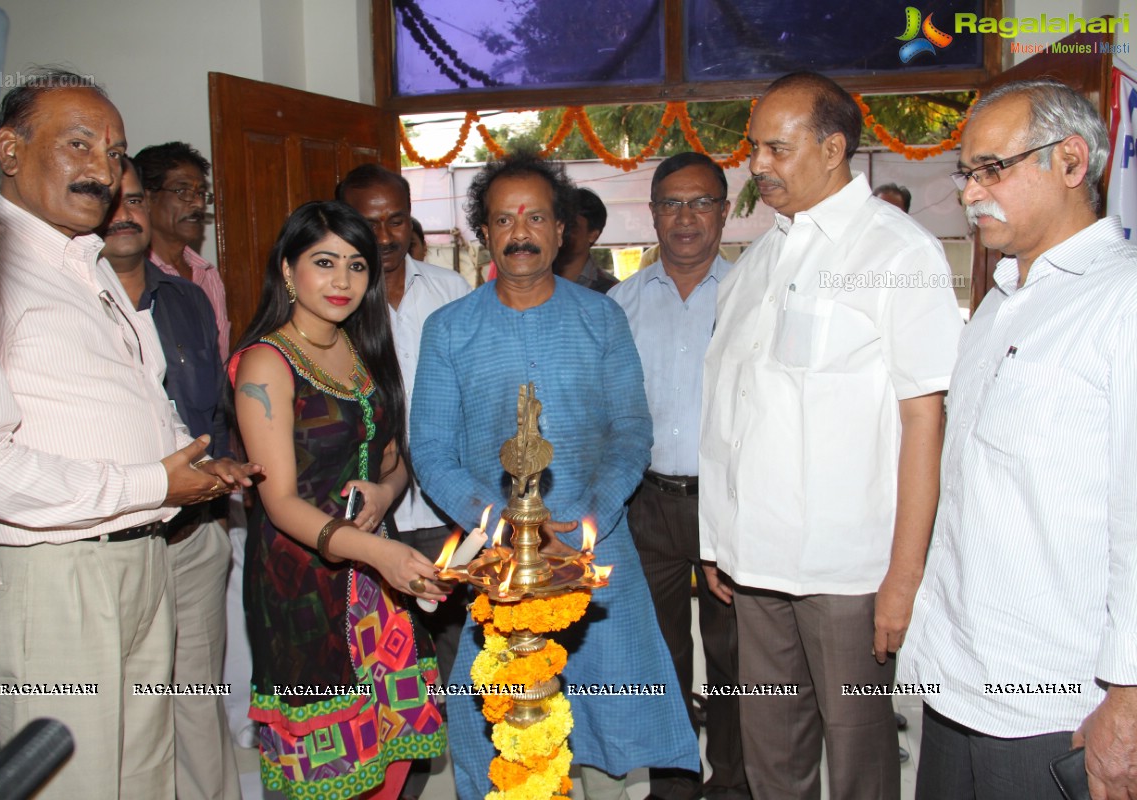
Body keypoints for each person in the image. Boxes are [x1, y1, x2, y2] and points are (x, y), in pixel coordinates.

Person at [0, 69, 259, 799]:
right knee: (72, 784)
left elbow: (143, 405)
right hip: (59, 579)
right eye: (77, 144)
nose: (101, 169)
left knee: (145, 779)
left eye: (114, 153)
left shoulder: (89, 268)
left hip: (143, 560)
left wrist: (195, 468)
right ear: (10, 151)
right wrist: (152, 483)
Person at [698, 71, 963, 800]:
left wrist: (904, 577)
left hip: (850, 575)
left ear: (833, 147)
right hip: (755, 565)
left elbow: (924, 418)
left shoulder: (897, 255)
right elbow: (732, 413)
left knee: (859, 765)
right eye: (755, 149)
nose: (757, 167)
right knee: (771, 758)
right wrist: (717, 541)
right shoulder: (757, 261)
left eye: (776, 150)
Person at [410, 147, 697, 800]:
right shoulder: (449, 329)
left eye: (536, 218)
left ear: (561, 230)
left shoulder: (601, 318)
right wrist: (499, 522)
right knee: (504, 725)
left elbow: (632, 432)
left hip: (595, 544)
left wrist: (590, 515)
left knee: (606, 735)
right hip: (498, 559)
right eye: (504, 219)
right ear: (482, 232)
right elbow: (430, 449)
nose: (520, 233)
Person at [898, 79, 1137, 800]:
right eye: (966, 173)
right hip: (956, 682)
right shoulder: (999, 304)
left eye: (992, 169)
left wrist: (1126, 697)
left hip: (1059, 706)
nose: (971, 194)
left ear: (1071, 161)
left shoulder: (1121, 303)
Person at [230, 200, 446, 799]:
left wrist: (386, 489)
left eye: (357, 266)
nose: (343, 281)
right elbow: (279, 504)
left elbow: (394, 460)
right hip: (302, 583)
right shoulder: (266, 363)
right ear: (286, 269)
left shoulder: (363, 350)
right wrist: (375, 554)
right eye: (324, 263)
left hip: (375, 582)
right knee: (330, 767)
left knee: (391, 753)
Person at [607, 151, 749, 800]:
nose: (685, 218)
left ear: (724, 212)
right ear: (652, 214)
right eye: (671, 204)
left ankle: (733, 781)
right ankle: (674, 783)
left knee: (735, 654)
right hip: (647, 504)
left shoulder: (754, 294)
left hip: (732, 504)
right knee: (658, 654)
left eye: (700, 203)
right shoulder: (622, 304)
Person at [99, 157, 239, 800]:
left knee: (196, 698)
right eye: (112, 200)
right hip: (108, 544)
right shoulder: (68, 299)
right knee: (123, 715)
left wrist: (223, 470)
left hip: (190, 538)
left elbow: (213, 406)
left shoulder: (184, 299)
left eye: (131, 200)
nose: (123, 213)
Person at [336, 163, 470, 799]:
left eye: (395, 219)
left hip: (450, 515)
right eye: (367, 220)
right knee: (388, 682)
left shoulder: (450, 291)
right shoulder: (328, 303)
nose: (383, 235)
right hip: (367, 522)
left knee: (463, 662)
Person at [133, 141, 231, 359]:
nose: (197, 203)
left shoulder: (207, 275)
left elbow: (220, 360)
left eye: (201, 193)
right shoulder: (133, 274)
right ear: (147, 198)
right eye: (183, 191)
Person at [555, 186, 618, 292]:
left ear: (593, 235)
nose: (561, 232)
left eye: (571, 226)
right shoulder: (533, 280)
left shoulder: (612, 290)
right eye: (558, 224)